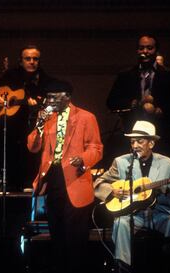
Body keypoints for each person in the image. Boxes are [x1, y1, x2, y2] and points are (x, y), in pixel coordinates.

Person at [27, 80, 103, 273]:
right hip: (53, 179)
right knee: (57, 236)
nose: (49, 100)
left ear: (67, 97)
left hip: (76, 179)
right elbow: (33, 147)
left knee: (75, 239)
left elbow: (96, 148)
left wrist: (83, 159)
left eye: (54, 96)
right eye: (48, 97)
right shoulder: (47, 118)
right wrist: (40, 125)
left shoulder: (86, 117)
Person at [93, 120, 170, 273]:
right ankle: (122, 266)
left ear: (151, 143)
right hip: (131, 214)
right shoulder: (121, 162)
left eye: (140, 141)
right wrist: (111, 191)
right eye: (132, 141)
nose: (135, 145)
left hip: (160, 212)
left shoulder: (169, 164)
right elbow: (99, 182)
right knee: (121, 222)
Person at [106, 34, 170, 171]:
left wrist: (162, 110)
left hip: (161, 132)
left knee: (161, 170)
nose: (145, 52)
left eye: (149, 48)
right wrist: (135, 103)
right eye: (141, 48)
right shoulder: (125, 75)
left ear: (156, 50)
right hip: (132, 130)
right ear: (137, 50)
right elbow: (111, 101)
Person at [0, 45, 56, 191]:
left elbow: (47, 102)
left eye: (35, 59)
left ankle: (28, 183)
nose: (31, 62)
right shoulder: (12, 74)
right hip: (9, 126)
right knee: (1, 145)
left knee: (29, 150)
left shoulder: (44, 80)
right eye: (27, 59)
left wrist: (35, 105)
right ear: (20, 61)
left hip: (29, 125)